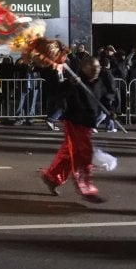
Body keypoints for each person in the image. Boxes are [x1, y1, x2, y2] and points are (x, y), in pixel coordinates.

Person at [40, 56, 113, 202]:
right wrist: (69, 85)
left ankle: (52, 177)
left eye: (98, 67)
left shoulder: (99, 83)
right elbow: (56, 94)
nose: (96, 70)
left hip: (87, 123)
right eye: (92, 67)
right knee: (83, 153)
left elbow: (106, 98)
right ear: (84, 67)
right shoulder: (74, 81)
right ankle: (85, 188)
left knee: (69, 153)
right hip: (74, 121)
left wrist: (111, 110)